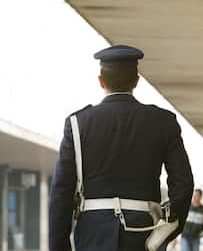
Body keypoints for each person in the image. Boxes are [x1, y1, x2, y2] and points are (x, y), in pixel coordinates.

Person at [49, 45, 194, 251]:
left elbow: (61, 192)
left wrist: (59, 247)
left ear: (101, 81)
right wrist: (169, 227)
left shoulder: (77, 124)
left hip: (94, 234)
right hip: (144, 233)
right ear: (136, 81)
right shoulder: (163, 122)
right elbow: (183, 182)